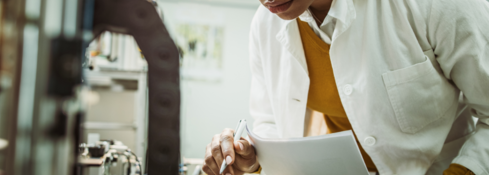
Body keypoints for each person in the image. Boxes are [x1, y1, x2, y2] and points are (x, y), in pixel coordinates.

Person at [202, 0, 489, 174]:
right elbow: (271, 123)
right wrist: (250, 156)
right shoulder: (265, 25)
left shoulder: (435, 6)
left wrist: (463, 172)